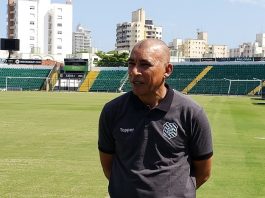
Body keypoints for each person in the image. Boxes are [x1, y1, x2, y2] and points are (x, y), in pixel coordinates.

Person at [98, 38, 213, 198]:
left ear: (168, 70)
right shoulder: (112, 111)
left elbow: (203, 172)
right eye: (131, 63)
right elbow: (108, 166)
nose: (134, 71)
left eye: (145, 64)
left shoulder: (191, 113)